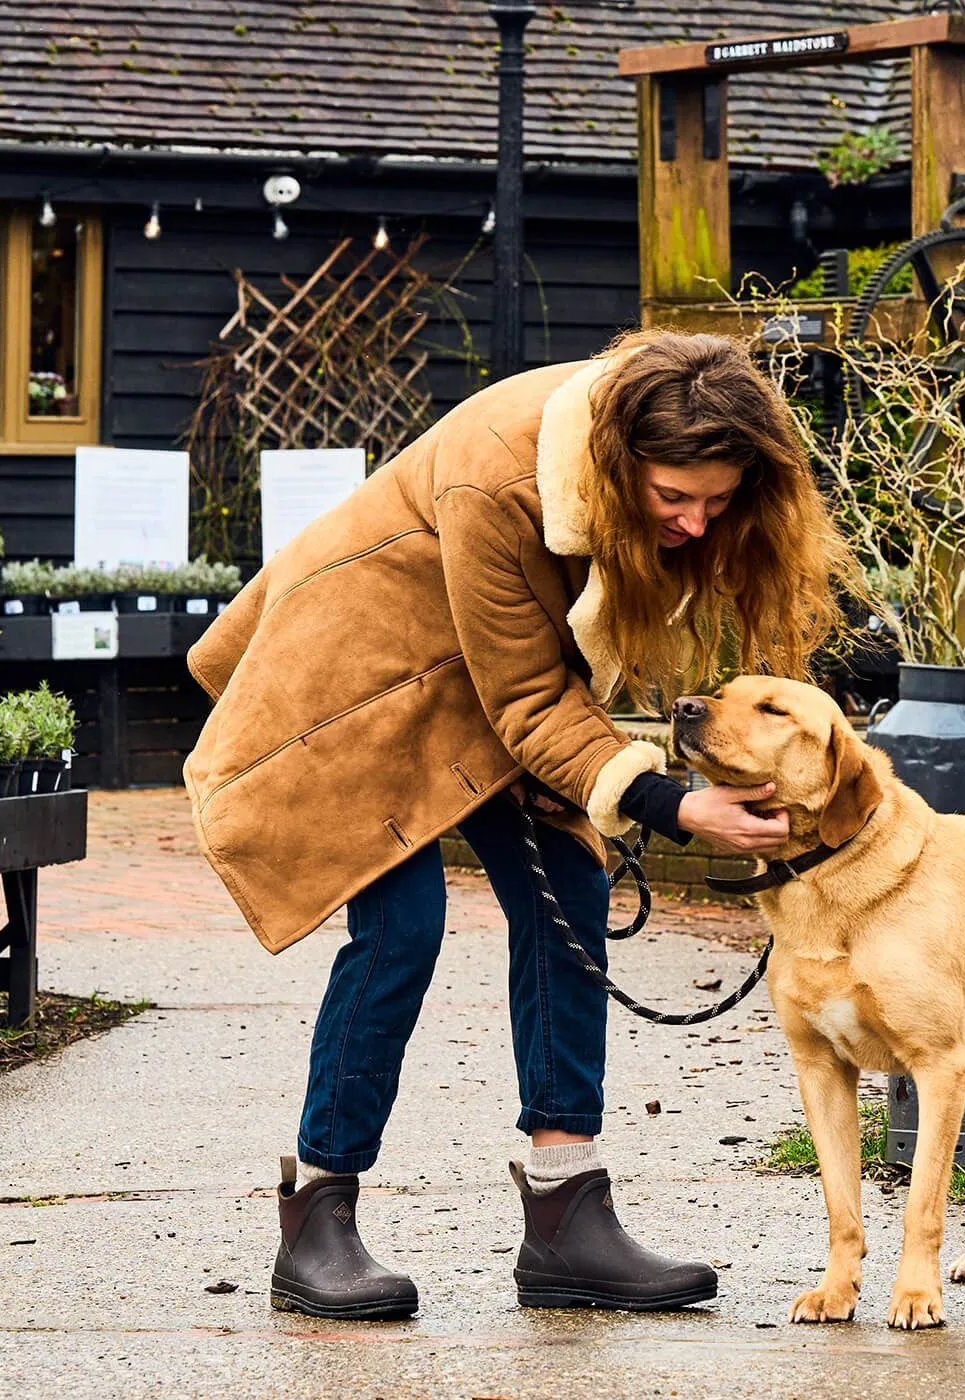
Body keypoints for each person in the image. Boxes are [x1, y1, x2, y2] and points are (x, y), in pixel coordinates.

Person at [183, 328, 859, 1320]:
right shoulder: (497, 480)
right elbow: (530, 701)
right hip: (350, 685)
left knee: (569, 891)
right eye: (672, 497)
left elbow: (546, 670)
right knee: (401, 926)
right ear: (622, 459)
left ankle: (566, 1213)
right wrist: (671, 801)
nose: (692, 521)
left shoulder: (655, 480)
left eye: (715, 501)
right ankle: (318, 1213)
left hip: (479, 680)